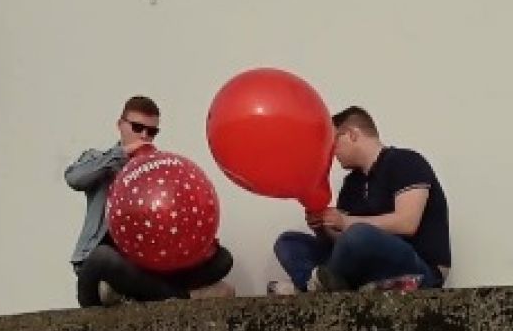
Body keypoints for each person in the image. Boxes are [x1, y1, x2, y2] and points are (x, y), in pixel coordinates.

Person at [64, 95, 234, 306]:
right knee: (101, 258)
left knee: (222, 259)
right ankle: (181, 297)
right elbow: (74, 178)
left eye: (152, 131)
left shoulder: (160, 168)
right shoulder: (100, 159)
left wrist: (197, 248)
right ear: (120, 125)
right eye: (137, 127)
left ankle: (138, 295)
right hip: (110, 260)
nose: (144, 136)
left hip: (148, 266)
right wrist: (122, 154)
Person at [272, 106, 450, 294]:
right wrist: (324, 227)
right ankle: (323, 284)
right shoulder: (352, 183)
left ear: (351, 134)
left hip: (418, 268)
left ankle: (312, 287)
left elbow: (407, 223)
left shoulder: (406, 161)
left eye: (333, 143)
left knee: (359, 234)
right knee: (289, 242)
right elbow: (343, 243)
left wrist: (346, 221)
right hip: (367, 271)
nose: (331, 152)